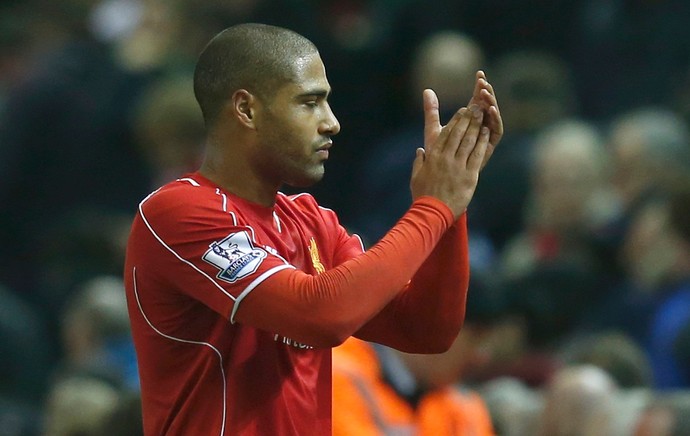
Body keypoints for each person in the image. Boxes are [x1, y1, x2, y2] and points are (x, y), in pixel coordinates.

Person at [123, 22, 502, 435]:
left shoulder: (312, 222)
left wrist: (452, 206)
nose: (332, 123)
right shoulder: (178, 211)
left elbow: (426, 330)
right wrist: (433, 207)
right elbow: (320, 314)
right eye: (310, 102)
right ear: (246, 109)